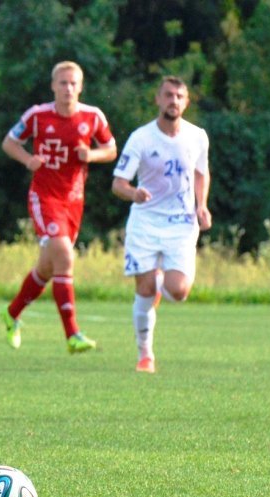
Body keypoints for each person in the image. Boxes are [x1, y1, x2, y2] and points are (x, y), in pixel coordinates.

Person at [0, 61, 117, 354]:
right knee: (64, 254)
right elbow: (9, 143)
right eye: (63, 83)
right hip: (44, 197)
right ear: (53, 86)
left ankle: (12, 314)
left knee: (48, 267)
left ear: (81, 86)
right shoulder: (37, 116)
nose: (68, 88)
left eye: (73, 83)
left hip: (73, 201)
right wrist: (28, 160)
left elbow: (111, 149)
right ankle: (72, 335)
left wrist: (91, 155)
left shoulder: (92, 117)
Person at [112, 76, 211, 374]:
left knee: (178, 291)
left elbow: (201, 173)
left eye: (179, 96)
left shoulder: (197, 136)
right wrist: (134, 194)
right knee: (143, 290)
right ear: (157, 99)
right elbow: (119, 183)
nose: (173, 101)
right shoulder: (141, 138)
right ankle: (145, 355)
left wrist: (202, 204)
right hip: (145, 222)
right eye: (168, 95)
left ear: (186, 102)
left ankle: (158, 282)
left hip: (181, 223)